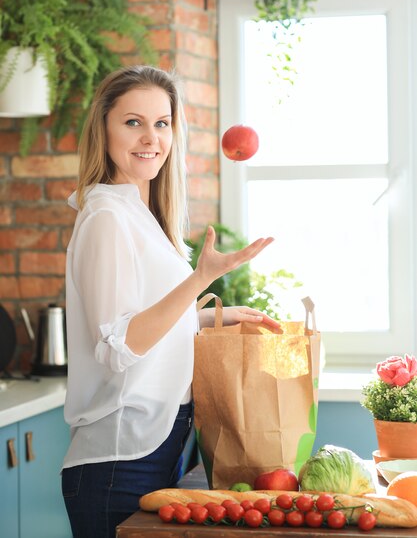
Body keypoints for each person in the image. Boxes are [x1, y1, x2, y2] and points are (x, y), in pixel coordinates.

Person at [61, 65, 276, 538]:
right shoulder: (105, 217)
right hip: (119, 461)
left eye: (162, 123)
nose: (151, 138)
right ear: (104, 128)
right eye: (133, 121)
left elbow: (137, 323)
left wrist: (199, 320)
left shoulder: (139, 214)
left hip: (159, 446)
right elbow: (118, 347)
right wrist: (199, 279)